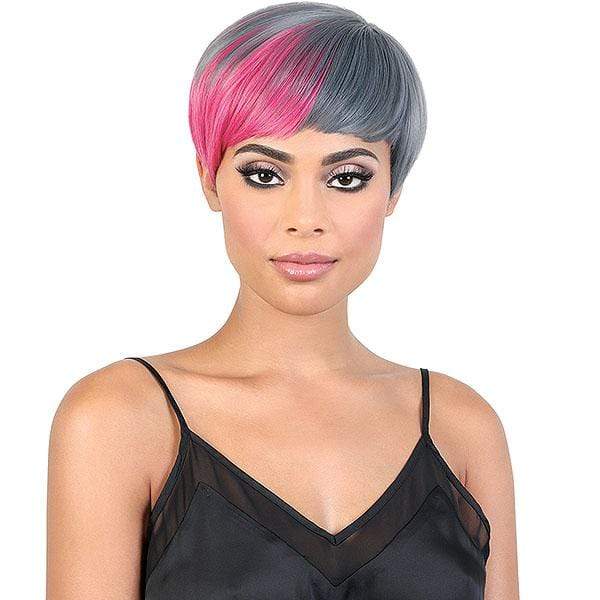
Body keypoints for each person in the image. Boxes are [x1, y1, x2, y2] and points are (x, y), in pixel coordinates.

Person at [46, 2, 519, 598]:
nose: (305, 218)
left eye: (346, 177)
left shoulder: (461, 427)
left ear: (393, 189)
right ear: (209, 179)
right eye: (265, 175)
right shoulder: (119, 419)